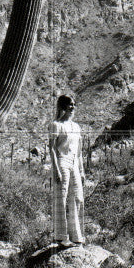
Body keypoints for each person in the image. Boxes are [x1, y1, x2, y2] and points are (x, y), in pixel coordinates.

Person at [49, 94, 85, 246]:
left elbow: (79, 151)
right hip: (62, 162)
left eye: (74, 104)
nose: (73, 107)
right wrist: (56, 169)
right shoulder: (56, 125)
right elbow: (51, 148)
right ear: (63, 106)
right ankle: (61, 237)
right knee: (61, 198)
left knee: (77, 197)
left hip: (74, 163)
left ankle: (76, 235)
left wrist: (81, 170)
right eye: (70, 104)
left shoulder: (76, 127)